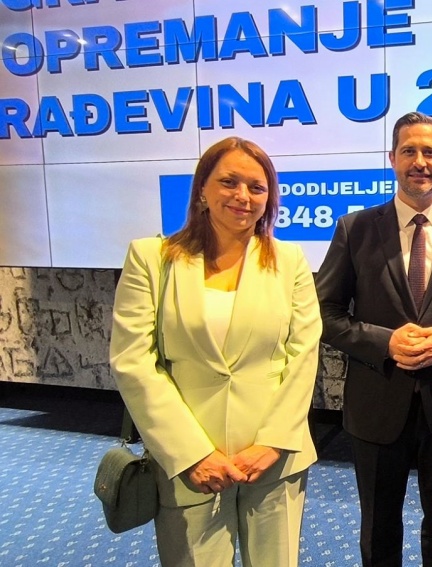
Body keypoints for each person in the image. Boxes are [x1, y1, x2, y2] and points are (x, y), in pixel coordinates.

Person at [109, 137, 322, 566]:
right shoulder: (151, 258)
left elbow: (303, 354)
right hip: (190, 460)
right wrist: (191, 453)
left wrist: (274, 443)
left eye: (257, 187)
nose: (243, 196)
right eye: (229, 182)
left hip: (275, 457)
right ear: (202, 189)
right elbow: (133, 361)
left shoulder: (290, 260)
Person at [315, 111, 432, 567]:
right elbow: (324, 313)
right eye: (409, 151)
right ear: (392, 159)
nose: (420, 161)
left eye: (430, 152)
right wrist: (385, 342)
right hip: (376, 404)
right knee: (379, 526)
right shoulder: (355, 229)